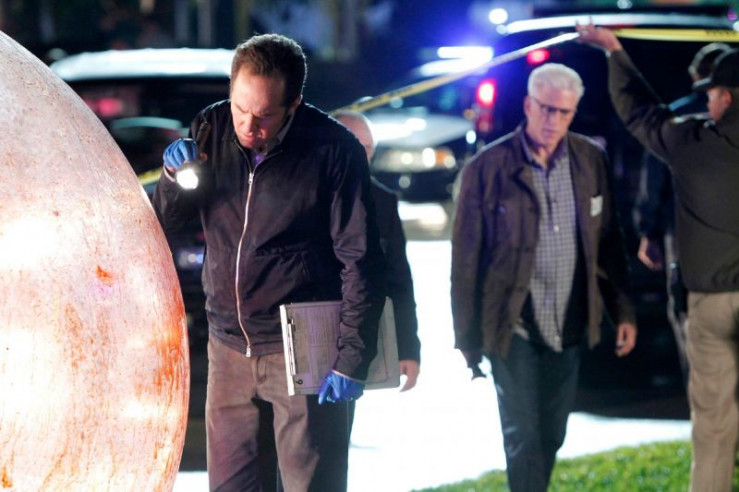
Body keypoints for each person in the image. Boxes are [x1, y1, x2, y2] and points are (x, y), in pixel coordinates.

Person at [152, 33, 385, 491]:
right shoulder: (211, 127)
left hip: (303, 343)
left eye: (264, 115)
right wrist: (173, 178)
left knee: (310, 483)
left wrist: (351, 358)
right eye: (240, 108)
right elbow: (169, 222)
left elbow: (360, 258)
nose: (248, 125)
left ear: (293, 104)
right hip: (228, 345)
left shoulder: (334, 149)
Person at [450, 62, 637, 492]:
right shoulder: (487, 168)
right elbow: (465, 261)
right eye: (546, 109)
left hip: (569, 322)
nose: (553, 120)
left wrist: (622, 310)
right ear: (528, 106)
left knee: (552, 434)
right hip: (511, 323)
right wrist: (466, 336)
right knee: (524, 436)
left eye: (563, 112)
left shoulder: (590, 160)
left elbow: (609, 241)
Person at [578, 23, 739, 492]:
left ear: (726, 98)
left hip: (709, 302)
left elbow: (640, 111)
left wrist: (614, 52)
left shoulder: (692, 142)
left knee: (712, 423)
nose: (706, 103)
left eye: (711, 95)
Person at [633, 42, 729, 386]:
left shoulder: (676, 120)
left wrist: (648, 231)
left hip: (684, 235)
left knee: (690, 323)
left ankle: (699, 396)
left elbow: (654, 180)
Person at [333, 110, 421, 391]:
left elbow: (399, 279)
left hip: (358, 339)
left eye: (368, 148)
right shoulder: (300, 195)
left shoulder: (382, 201)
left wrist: (407, 347)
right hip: (308, 330)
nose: (361, 156)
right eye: (353, 146)